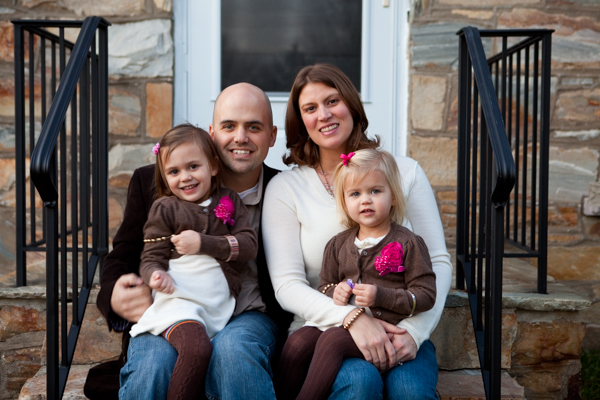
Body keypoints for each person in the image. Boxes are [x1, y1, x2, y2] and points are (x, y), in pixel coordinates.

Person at [84, 83, 292, 400]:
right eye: (228, 126)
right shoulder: (158, 183)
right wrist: (115, 296)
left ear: (272, 136)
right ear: (212, 133)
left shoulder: (286, 188)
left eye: (254, 127)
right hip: (173, 309)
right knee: (154, 363)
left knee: (233, 353)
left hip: (248, 315)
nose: (240, 137)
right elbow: (124, 255)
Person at [262, 64, 453, 399]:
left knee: (411, 391)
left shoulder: (404, 172)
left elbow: (437, 261)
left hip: (400, 326)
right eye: (310, 108)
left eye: (332, 101)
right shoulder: (286, 187)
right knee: (358, 385)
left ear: (351, 104)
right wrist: (352, 317)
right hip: (325, 331)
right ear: (301, 121)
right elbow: (287, 284)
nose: (323, 115)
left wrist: (414, 333)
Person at [276, 149, 437, 400]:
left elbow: (426, 295)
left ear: (393, 195)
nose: (365, 200)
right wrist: (336, 291)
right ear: (345, 201)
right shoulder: (338, 245)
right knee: (299, 342)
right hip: (345, 322)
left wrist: (380, 295)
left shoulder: (409, 244)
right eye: (355, 193)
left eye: (375, 191)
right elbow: (325, 286)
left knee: (332, 342)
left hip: (387, 329)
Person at [128, 124, 258, 399]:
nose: (185, 178)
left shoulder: (229, 200)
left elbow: (248, 245)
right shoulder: (165, 208)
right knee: (196, 348)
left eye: (193, 167)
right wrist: (154, 275)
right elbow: (151, 255)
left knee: (206, 350)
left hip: (215, 305)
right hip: (178, 301)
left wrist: (203, 243)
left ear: (212, 166)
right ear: (164, 175)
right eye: (174, 172)